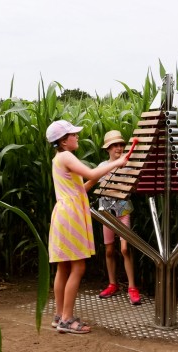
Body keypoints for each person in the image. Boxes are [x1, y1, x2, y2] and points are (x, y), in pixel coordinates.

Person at [46, 120, 128, 334]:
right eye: (73, 134)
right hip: (71, 216)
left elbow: (80, 187)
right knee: (78, 267)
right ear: (64, 141)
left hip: (63, 213)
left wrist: (97, 179)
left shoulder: (58, 158)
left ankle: (58, 316)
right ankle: (67, 319)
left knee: (63, 267)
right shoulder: (66, 156)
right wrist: (116, 164)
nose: (77, 136)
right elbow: (91, 174)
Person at [94, 130, 141, 305]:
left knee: (124, 249)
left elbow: (134, 188)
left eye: (121, 145)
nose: (119, 148)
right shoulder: (101, 166)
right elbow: (99, 186)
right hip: (106, 210)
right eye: (115, 146)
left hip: (123, 209)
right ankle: (113, 284)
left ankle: (132, 287)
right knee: (108, 250)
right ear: (108, 148)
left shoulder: (128, 165)